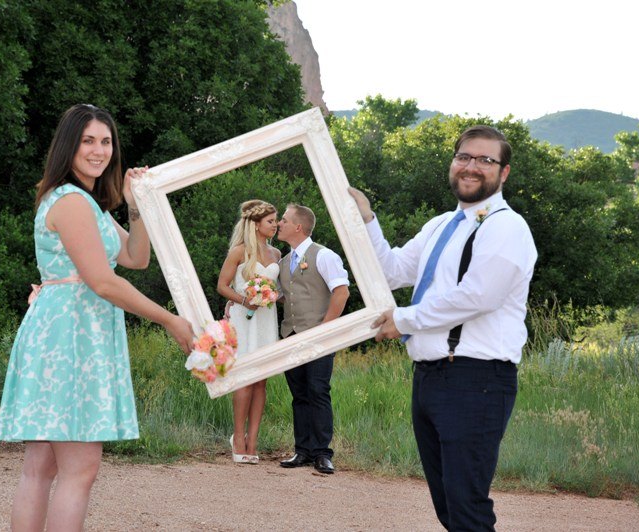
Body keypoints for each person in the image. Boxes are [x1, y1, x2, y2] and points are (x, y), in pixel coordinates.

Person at [0, 103, 194, 532]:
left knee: (43, 467)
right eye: (88, 141)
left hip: (70, 335)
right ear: (69, 145)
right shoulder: (69, 201)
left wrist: (135, 204)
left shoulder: (89, 204)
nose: (99, 150)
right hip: (69, 339)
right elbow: (103, 282)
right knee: (78, 468)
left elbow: (136, 257)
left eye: (106, 141)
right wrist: (169, 319)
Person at [350, 125, 537, 530]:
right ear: (453, 163)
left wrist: (401, 320)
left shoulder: (506, 227)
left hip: (475, 380)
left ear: (503, 173)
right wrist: (366, 219)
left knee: (467, 508)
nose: (472, 167)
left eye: (485, 160)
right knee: (449, 509)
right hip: (431, 378)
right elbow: (392, 269)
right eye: (464, 157)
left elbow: (477, 297)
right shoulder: (440, 225)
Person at [275, 203, 349, 474]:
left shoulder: (324, 256)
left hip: (319, 336)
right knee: (299, 395)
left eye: (283, 220)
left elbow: (341, 292)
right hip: (290, 335)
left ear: (298, 227)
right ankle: (302, 451)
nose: (279, 224)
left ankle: (322, 453)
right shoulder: (283, 262)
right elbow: (287, 295)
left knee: (318, 392)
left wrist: (325, 329)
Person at [216, 200, 281, 464]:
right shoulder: (239, 252)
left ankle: (254, 440)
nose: (275, 226)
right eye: (271, 221)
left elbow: (280, 289)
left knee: (261, 380)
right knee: (244, 378)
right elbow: (222, 285)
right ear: (256, 224)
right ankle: (238, 437)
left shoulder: (276, 254)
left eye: (276, 221)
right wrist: (243, 300)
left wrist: (272, 296)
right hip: (244, 318)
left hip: (266, 319)